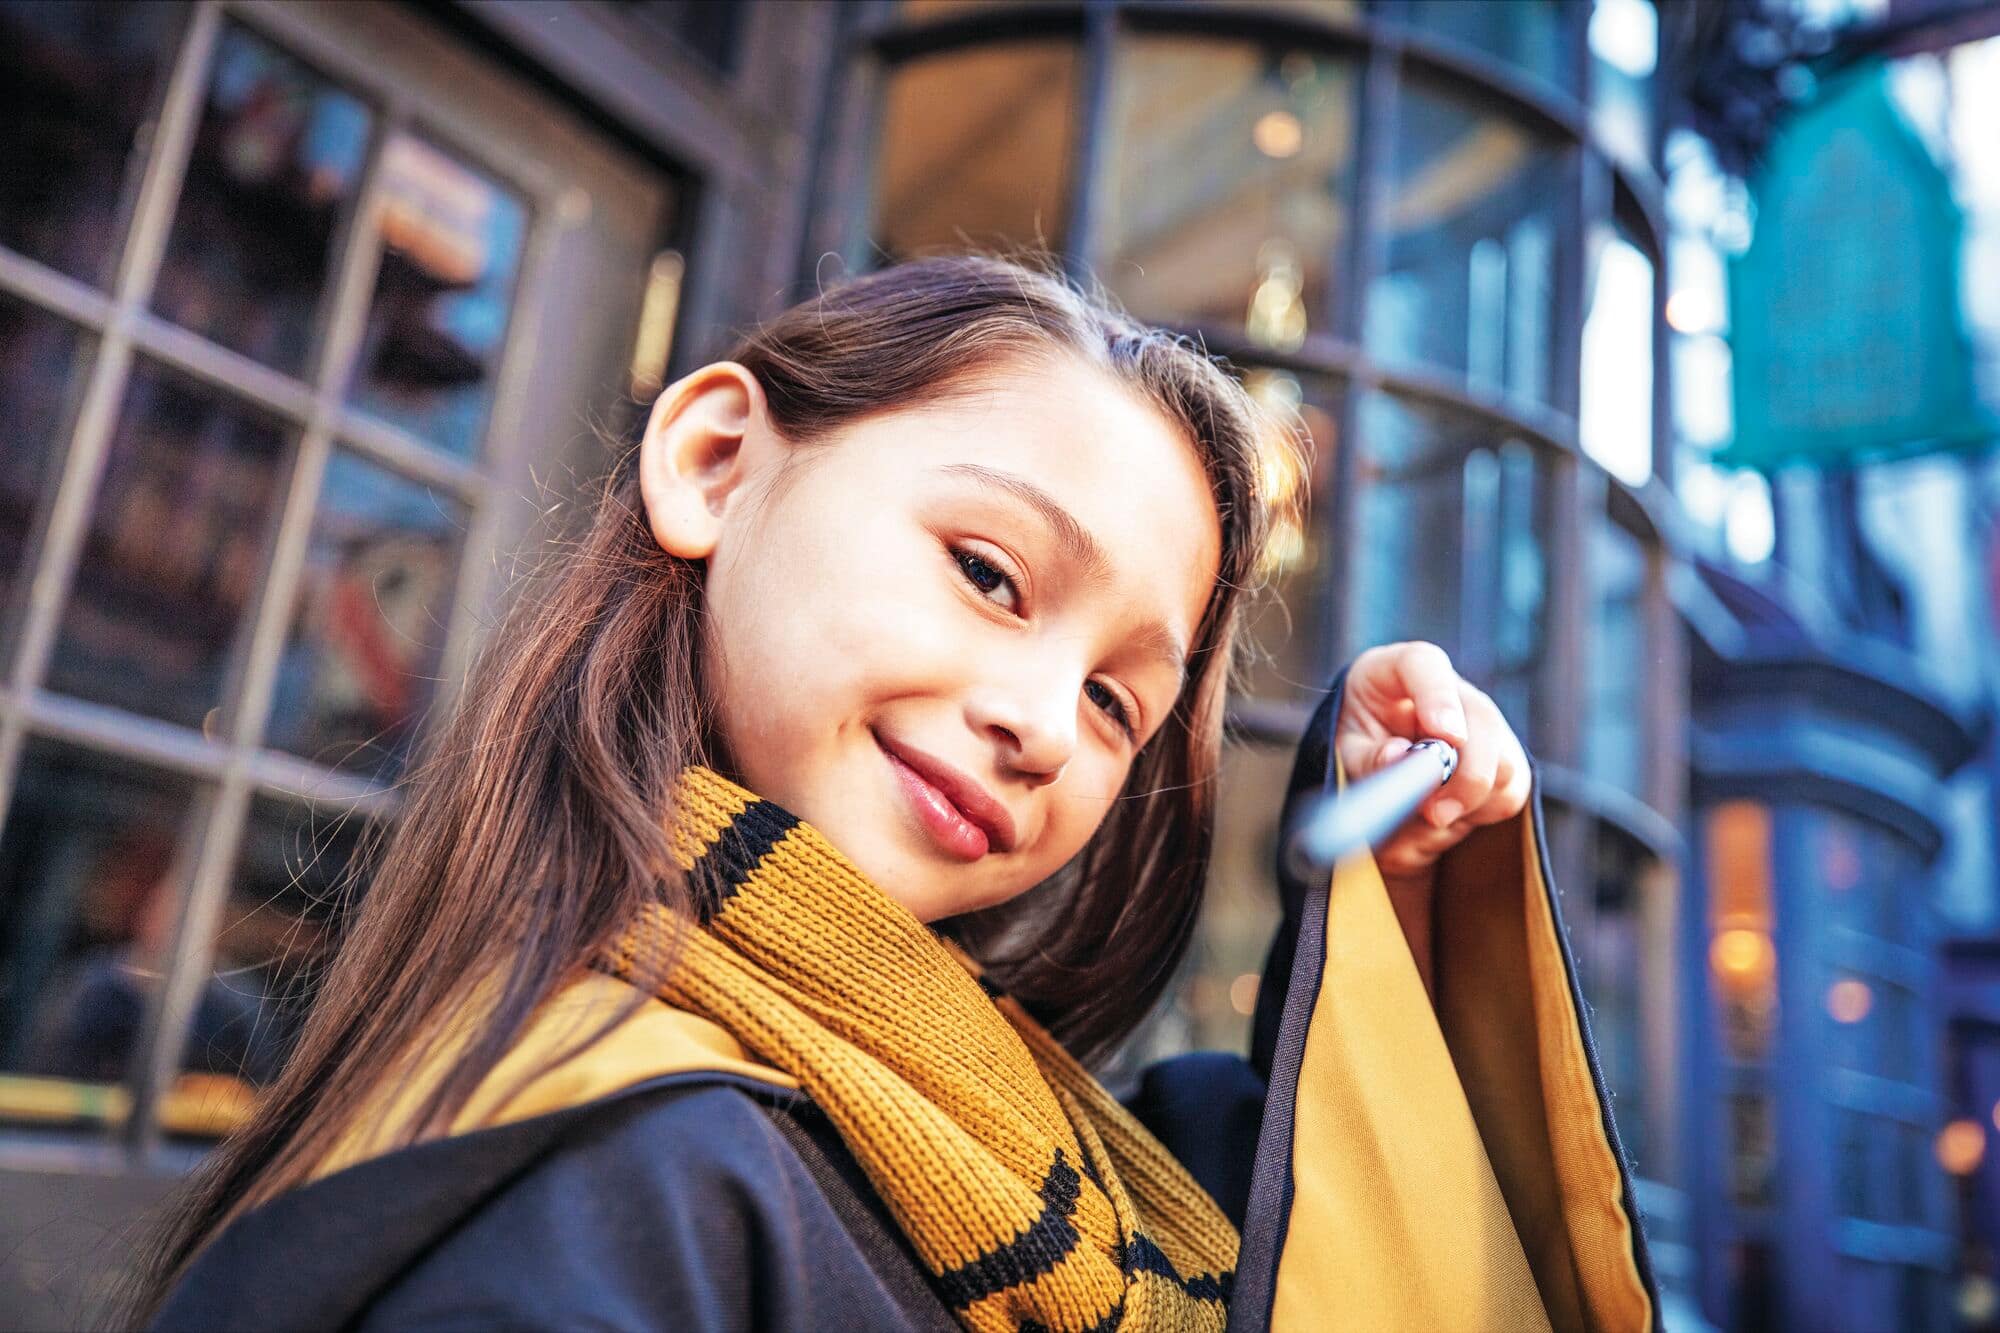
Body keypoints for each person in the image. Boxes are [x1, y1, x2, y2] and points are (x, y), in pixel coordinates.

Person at [131, 254, 1659, 1331]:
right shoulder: (617, 1185)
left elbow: (1313, 1230)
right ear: (718, 460)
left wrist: (1393, 904)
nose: (1044, 724)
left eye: (1121, 695)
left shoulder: (1006, 1133)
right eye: (989, 572)